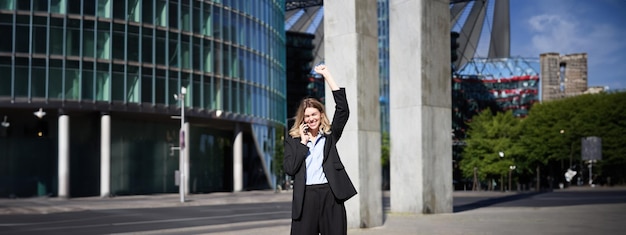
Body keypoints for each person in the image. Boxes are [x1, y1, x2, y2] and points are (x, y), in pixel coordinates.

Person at [283, 64, 357, 235]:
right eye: (307, 116)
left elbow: (343, 110)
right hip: (305, 198)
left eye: (314, 114)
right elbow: (290, 169)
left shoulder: (330, 136)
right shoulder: (293, 140)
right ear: (302, 119)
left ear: (321, 115)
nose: (311, 119)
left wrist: (327, 76)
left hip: (330, 195)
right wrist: (303, 143)